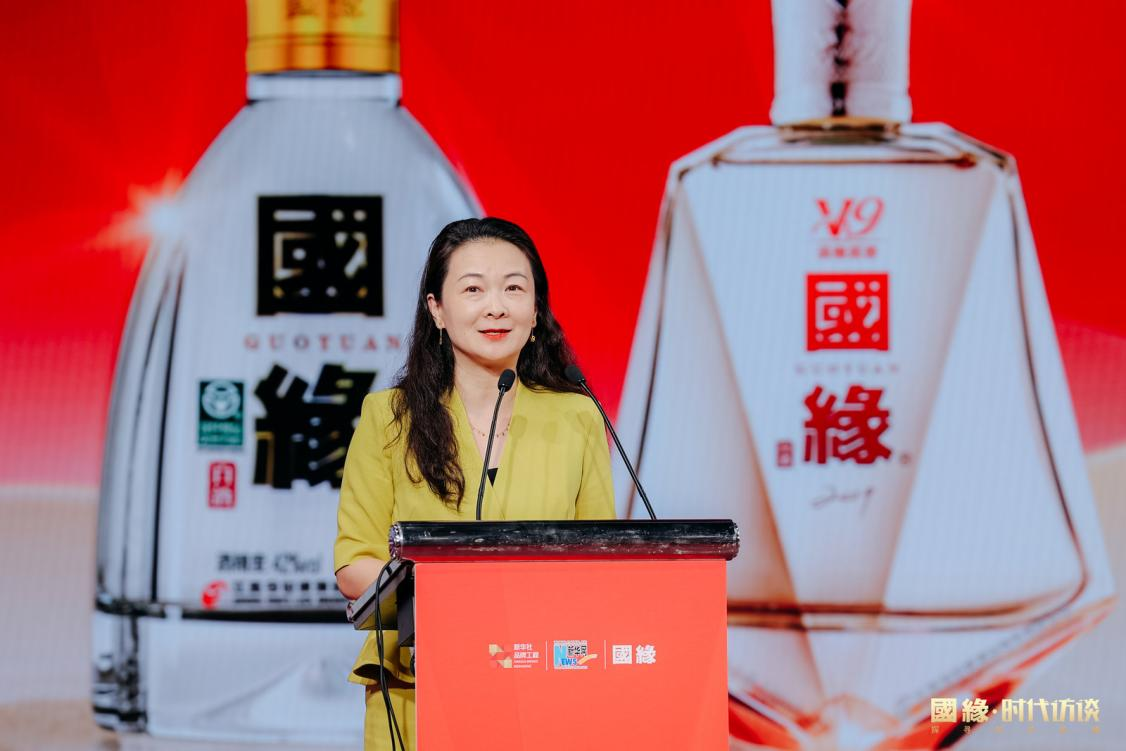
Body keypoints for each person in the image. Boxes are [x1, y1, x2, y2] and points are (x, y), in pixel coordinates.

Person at [333, 217, 616, 750]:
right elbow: (354, 564)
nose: (496, 307)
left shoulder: (578, 416)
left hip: (544, 678)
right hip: (420, 682)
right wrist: (452, 601)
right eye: (473, 289)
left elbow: (601, 558)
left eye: (514, 288)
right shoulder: (389, 417)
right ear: (437, 309)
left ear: (536, 311)